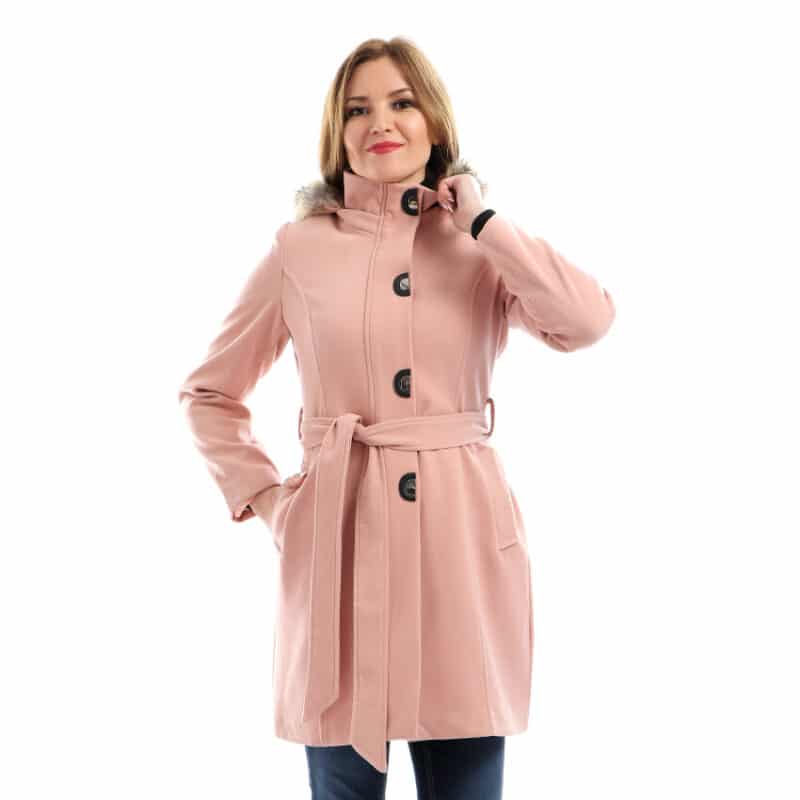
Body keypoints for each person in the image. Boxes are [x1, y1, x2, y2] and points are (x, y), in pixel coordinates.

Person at [178, 35, 615, 800]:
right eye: (357, 109)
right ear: (337, 132)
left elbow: (586, 322)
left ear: (434, 121)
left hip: (461, 546)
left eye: (401, 102)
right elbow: (210, 392)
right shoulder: (298, 250)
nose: (380, 122)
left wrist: (487, 223)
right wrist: (274, 502)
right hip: (340, 546)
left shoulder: (481, 246)